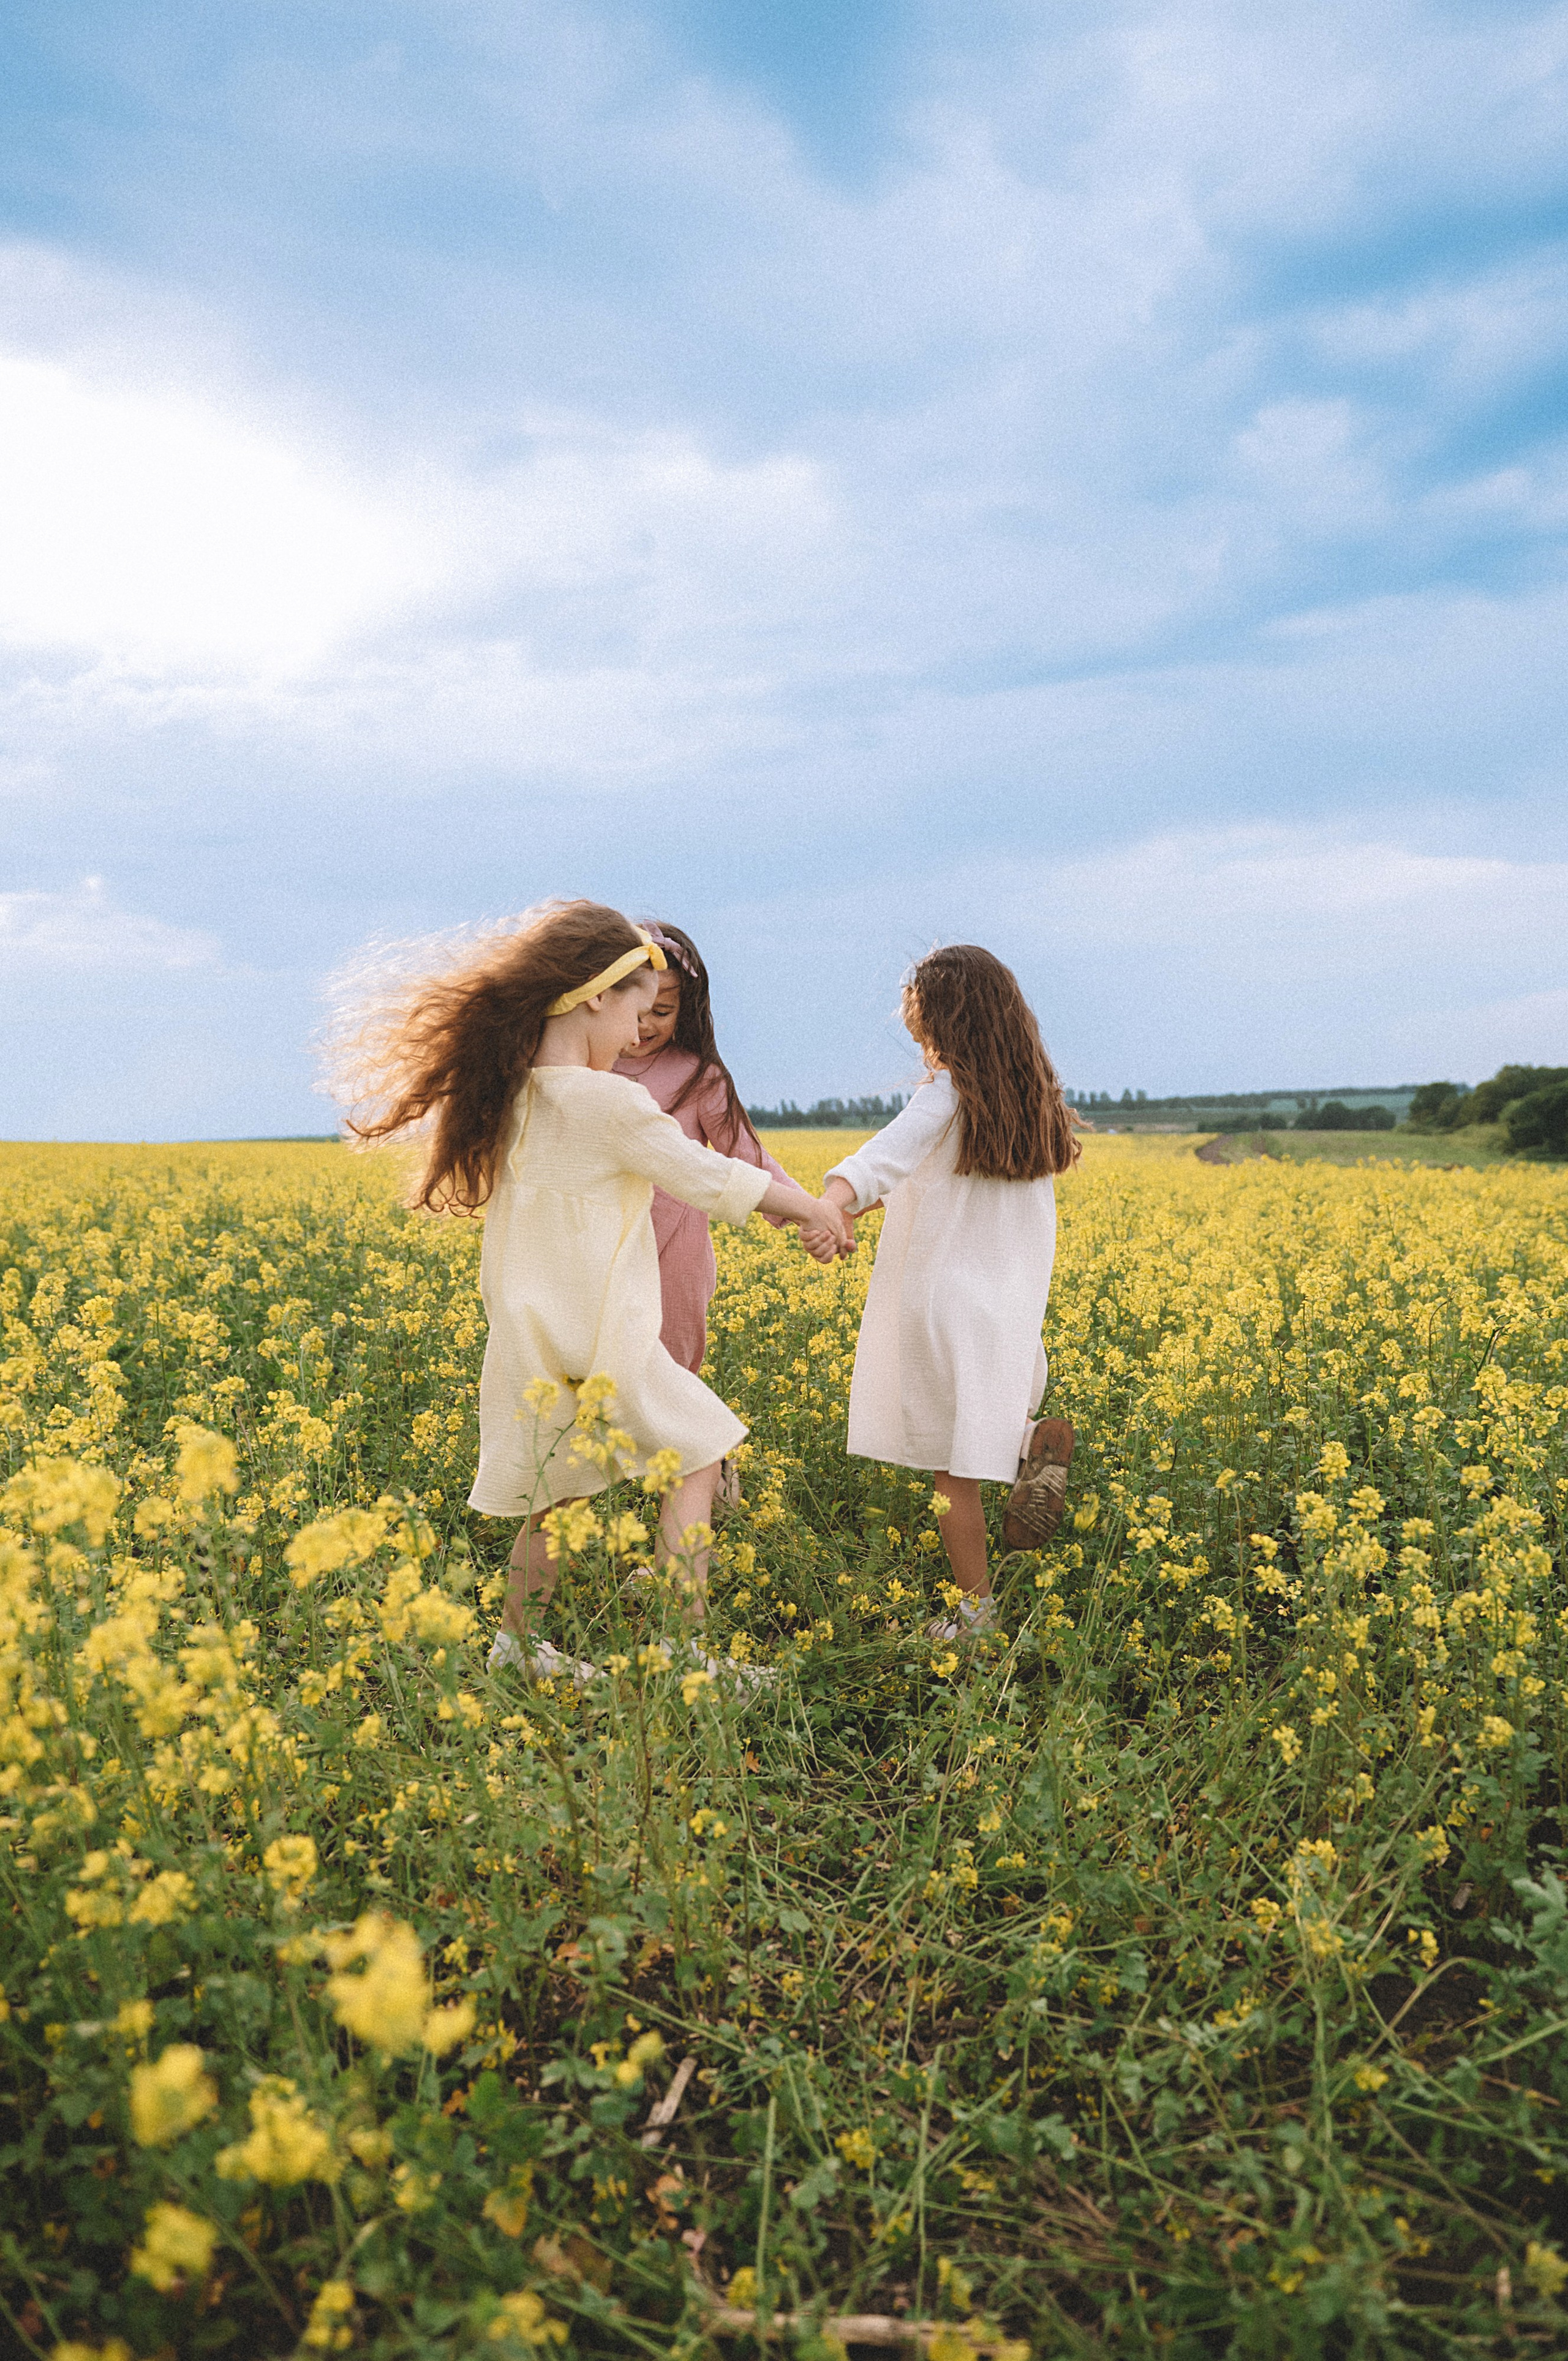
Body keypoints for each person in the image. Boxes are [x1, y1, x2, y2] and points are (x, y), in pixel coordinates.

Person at [333, 898, 848, 1678]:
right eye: (635, 1010)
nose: (637, 1033)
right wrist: (811, 1207)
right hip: (601, 1330)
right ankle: (683, 1651)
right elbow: (708, 1176)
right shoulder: (608, 1102)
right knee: (698, 1457)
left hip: (534, 1328)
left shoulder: (513, 1094)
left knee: (559, 1490)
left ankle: (515, 1646)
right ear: (595, 995)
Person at [821, 944, 1079, 1641]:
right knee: (987, 1419)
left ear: (941, 1024)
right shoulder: (1033, 1107)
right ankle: (1029, 1446)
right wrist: (864, 1204)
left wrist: (832, 1202)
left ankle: (976, 1617)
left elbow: (884, 1157)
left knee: (950, 1473)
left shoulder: (943, 1095)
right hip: (1008, 1313)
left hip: (939, 1305)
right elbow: (925, 1179)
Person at [614, 921, 794, 1377]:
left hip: (678, 1250)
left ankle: (690, 1452)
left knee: (671, 1377)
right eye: (634, 1008)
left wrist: (807, 1210)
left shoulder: (700, 1076)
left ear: (686, 1009)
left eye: (662, 1010)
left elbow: (747, 1155)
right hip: (603, 1240)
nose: (644, 1024)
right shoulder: (586, 1067)